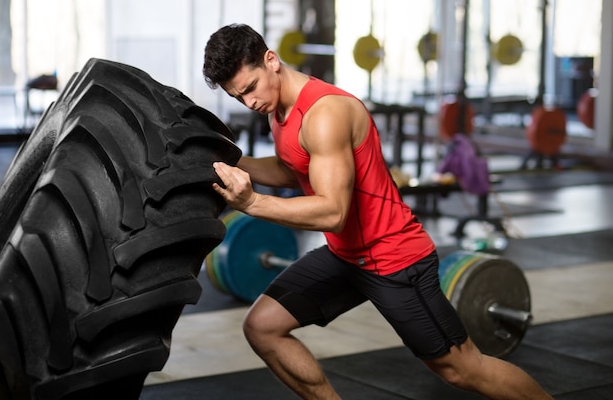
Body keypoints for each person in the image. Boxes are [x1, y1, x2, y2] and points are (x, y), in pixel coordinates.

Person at [203, 23, 553, 400]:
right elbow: (294, 167)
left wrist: (252, 203)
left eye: (250, 88)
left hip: (394, 259)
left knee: (462, 369)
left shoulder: (324, 113)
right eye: (239, 97)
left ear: (271, 60)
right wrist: (233, 161)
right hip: (347, 256)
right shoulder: (278, 110)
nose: (250, 103)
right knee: (262, 326)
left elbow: (332, 212)